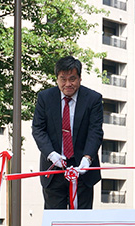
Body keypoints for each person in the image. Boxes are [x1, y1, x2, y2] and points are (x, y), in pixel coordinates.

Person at [32, 56, 103, 209]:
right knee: (55, 220)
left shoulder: (93, 99)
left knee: (81, 221)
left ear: (80, 78)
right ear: (57, 79)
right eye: (62, 79)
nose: (67, 84)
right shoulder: (45, 98)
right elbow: (38, 129)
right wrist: (51, 154)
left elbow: (95, 131)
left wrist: (87, 159)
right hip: (54, 168)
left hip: (82, 170)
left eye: (72, 79)